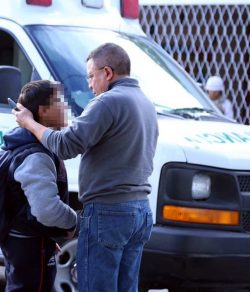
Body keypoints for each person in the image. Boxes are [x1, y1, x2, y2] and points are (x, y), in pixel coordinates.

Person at [13, 43, 159, 291]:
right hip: (140, 212)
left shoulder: (107, 102)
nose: (90, 84)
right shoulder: (145, 102)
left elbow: (64, 145)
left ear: (108, 73)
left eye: (91, 76)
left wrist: (29, 123)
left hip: (109, 212)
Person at [0, 80, 77, 291]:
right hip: (29, 244)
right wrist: (72, 222)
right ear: (43, 111)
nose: (65, 108)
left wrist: (50, 236)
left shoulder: (30, 145)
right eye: (59, 102)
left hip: (30, 241)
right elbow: (47, 210)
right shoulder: (35, 155)